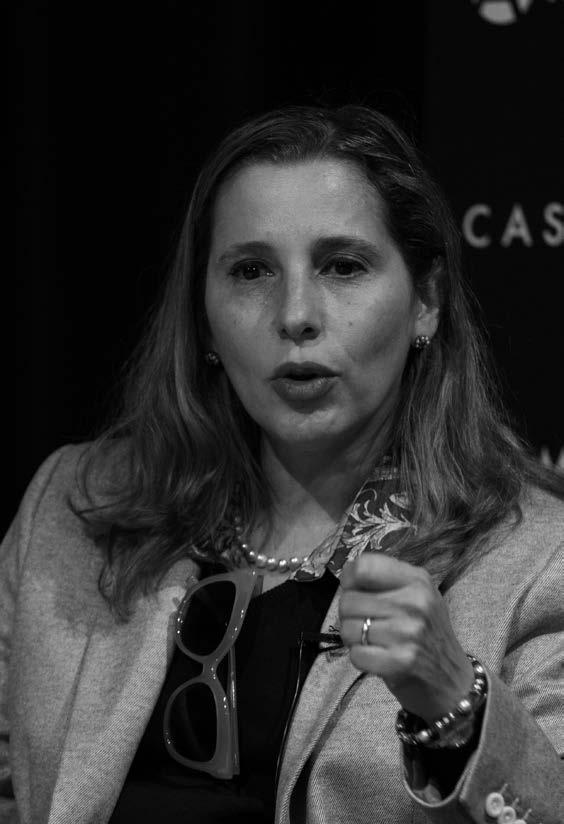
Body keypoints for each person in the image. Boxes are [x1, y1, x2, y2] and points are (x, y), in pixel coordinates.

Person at [1, 104, 563, 824]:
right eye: (252, 271)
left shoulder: (537, 561)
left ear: (426, 301)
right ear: (203, 317)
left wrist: (456, 704)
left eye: (343, 266)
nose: (295, 314)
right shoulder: (76, 506)